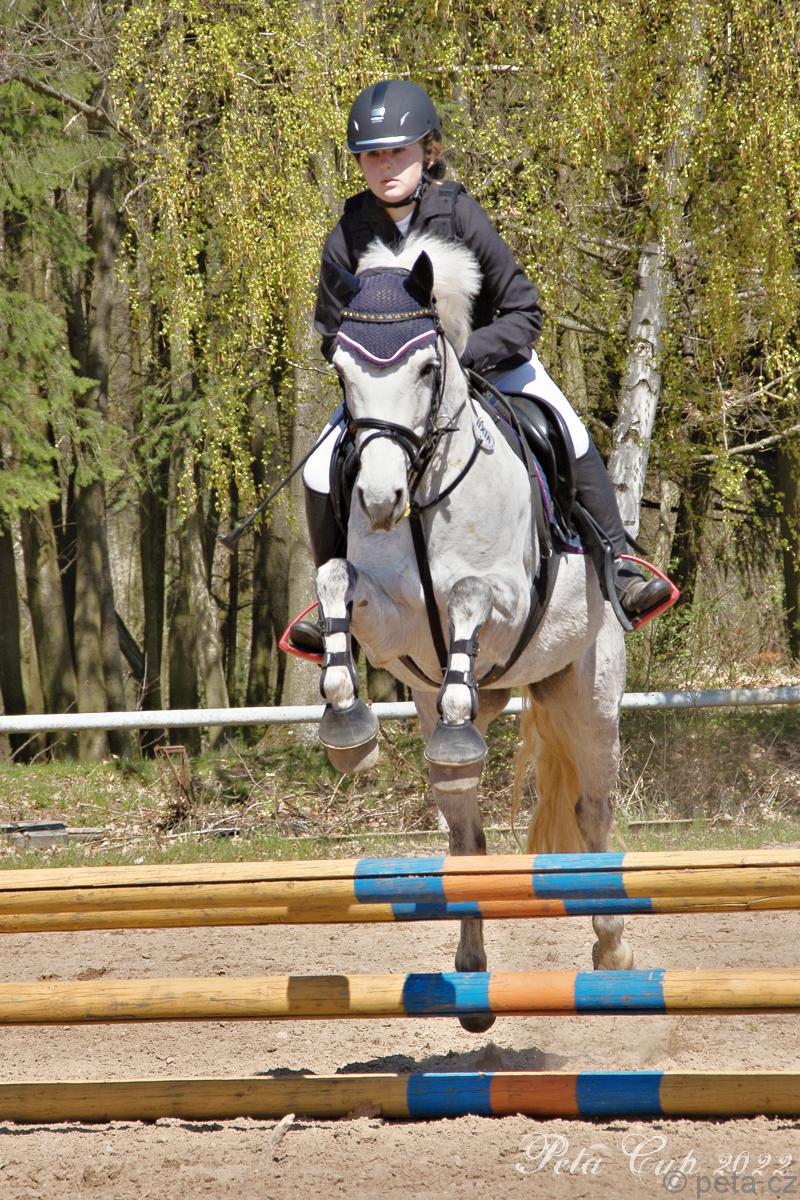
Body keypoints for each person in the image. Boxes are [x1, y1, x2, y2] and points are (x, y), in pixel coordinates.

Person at [290, 79, 670, 653]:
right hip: (394, 389)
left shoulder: (460, 214)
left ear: (428, 151)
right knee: (321, 466)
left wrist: (460, 360)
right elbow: (328, 330)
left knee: (566, 429)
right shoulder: (346, 235)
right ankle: (330, 605)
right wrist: (376, 371)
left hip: (490, 366)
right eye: (372, 155)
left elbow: (525, 311)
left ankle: (619, 564)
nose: (385, 166)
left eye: (397, 151)